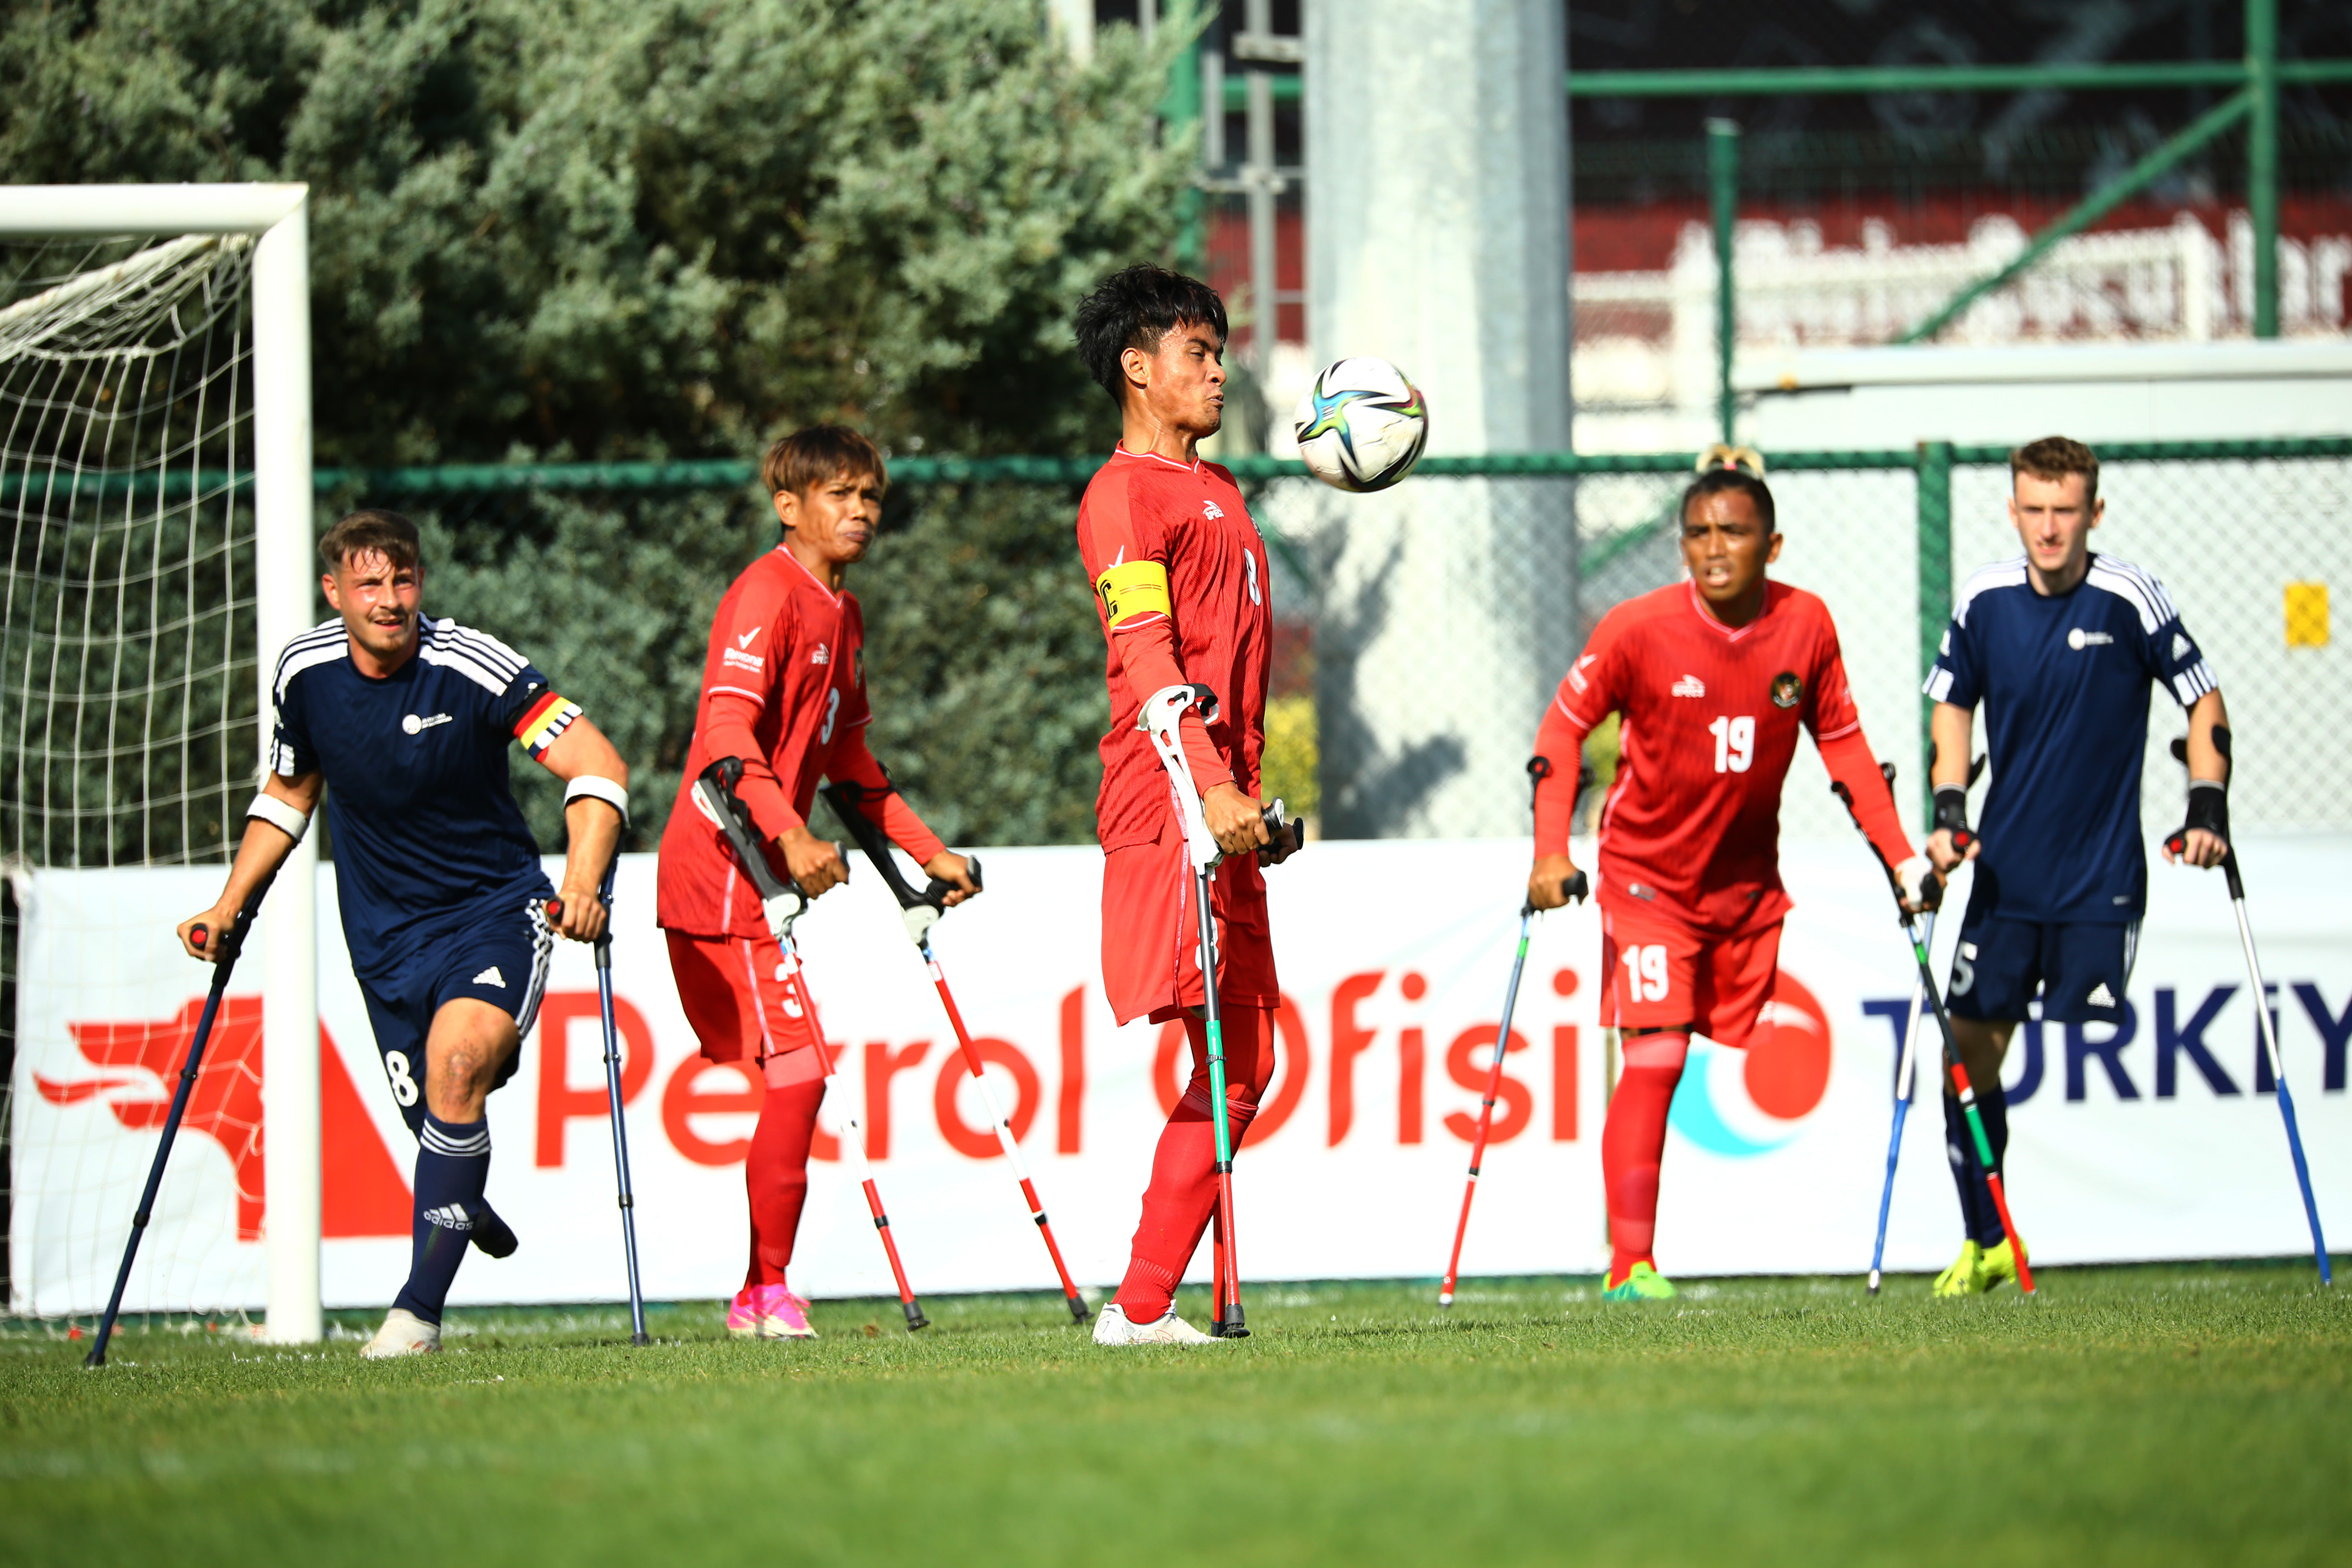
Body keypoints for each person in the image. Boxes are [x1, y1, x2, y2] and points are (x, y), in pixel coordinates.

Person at [179, 509, 629, 1358]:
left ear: (421, 580)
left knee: (457, 1069)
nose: (389, 600)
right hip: (383, 941)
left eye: (404, 580)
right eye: (369, 584)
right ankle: (463, 1200)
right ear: (334, 591)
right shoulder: (304, 675)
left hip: (494, 914)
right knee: (438, 1122)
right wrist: (228, 903)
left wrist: (579, 884)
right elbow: (290, 793)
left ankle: (415, 1316)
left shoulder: (474, 666)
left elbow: (599, 767)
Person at [1528, 452, 1932, 1302]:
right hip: (1645, 878)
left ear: (1772, 546)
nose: (1713, 548)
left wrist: (1902, 858)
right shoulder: (1636, 627)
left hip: (1744, 888)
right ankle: (1631, 1266)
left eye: (1733, 533)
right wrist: (1551, 853)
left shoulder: (1806, 624)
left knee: (1718, 1049)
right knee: (1656, 1054)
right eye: (1698, 533)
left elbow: (1846, 748)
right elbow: (1561, 733)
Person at [655, 423, 977, 1341]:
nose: (861, 511)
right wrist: (790, 835)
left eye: (870, 496)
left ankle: (763, 1290)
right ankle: (762, 1293)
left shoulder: (843, 610)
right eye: (840, 495)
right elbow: (724, 736)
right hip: (723, 871)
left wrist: (928, 851)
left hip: (763, 871)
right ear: (788, 507)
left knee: (793, 1077)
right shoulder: (766, 592)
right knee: (798, 1075)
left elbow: (848, 761)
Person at [1921, 435, 2229, 1296]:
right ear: (2012, 510)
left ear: (2094, 512)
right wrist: (1949, 811)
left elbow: (2202, 698)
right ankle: (1989, 1239)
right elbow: (1951, 704)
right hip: (2004, 879)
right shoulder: (1984, 599)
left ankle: (2187, 1223)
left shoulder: (2130, 597)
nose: (2049, 528)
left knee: (2092, 1050)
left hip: (2100, 881)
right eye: (2035, 510)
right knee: (1965, 1056)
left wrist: (2207, 805)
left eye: (2065, 511)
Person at [1072, 264, 1296, 1346]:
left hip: (1221, 805)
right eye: (1197, 354)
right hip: (1170, 803)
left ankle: (1142, 1309)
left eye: (1220, 352)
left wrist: (1244, 798)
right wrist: (1211, 790)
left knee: (1249, 1059)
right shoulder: (1122, 496)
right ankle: (1142, 1306)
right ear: (1138, 367)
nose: (1219, 372)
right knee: (1232, 1050)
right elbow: (1150, 658)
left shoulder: (1223, 490)